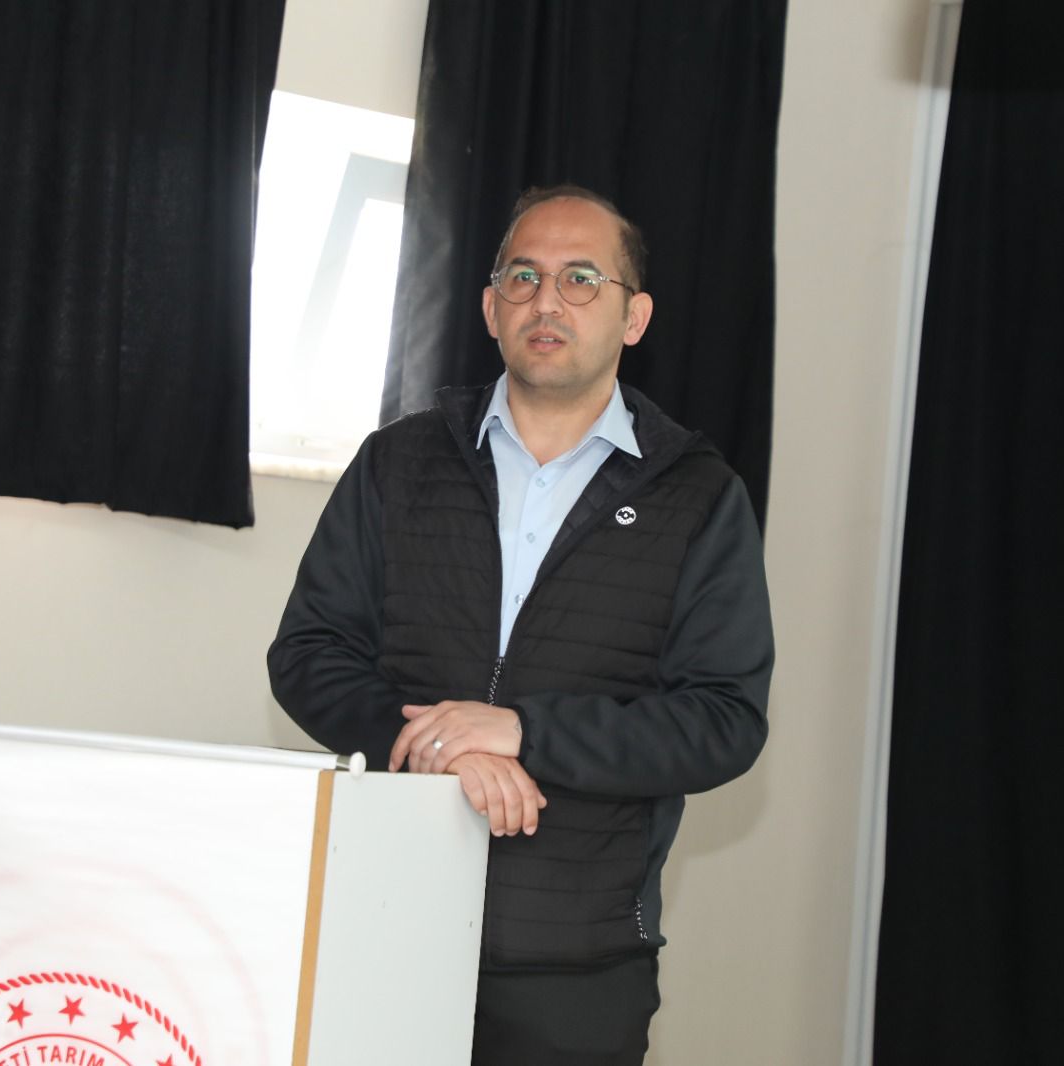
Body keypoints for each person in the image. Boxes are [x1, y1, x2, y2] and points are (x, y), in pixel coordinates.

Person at [267, 184, 774, 1065]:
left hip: (579, 963)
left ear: (633, 317)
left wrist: (524, 731)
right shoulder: (397, 462)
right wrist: (440, 745)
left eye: (582, 279)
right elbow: (309, 653)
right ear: (489, 308)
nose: (547, 300)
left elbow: (722, 721)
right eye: (523, 277)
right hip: (384, 928)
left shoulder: (699, 496)